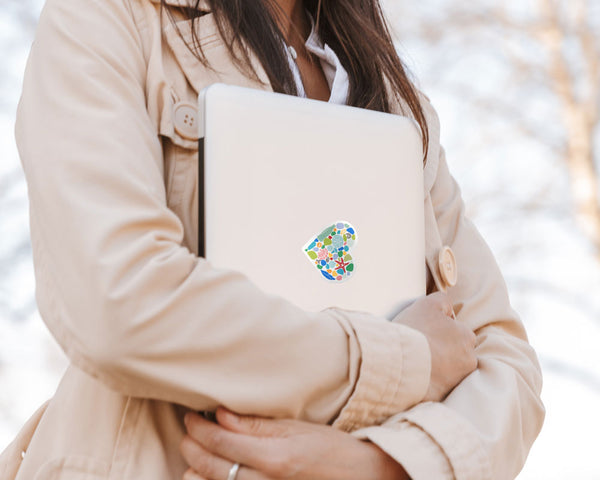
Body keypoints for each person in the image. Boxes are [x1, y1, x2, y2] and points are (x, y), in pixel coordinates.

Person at [0, 0, 544, 479]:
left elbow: (507, 366)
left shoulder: (401, 108)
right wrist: (408, 362)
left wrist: (378, 465)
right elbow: (119, 301)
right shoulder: (108, 18)